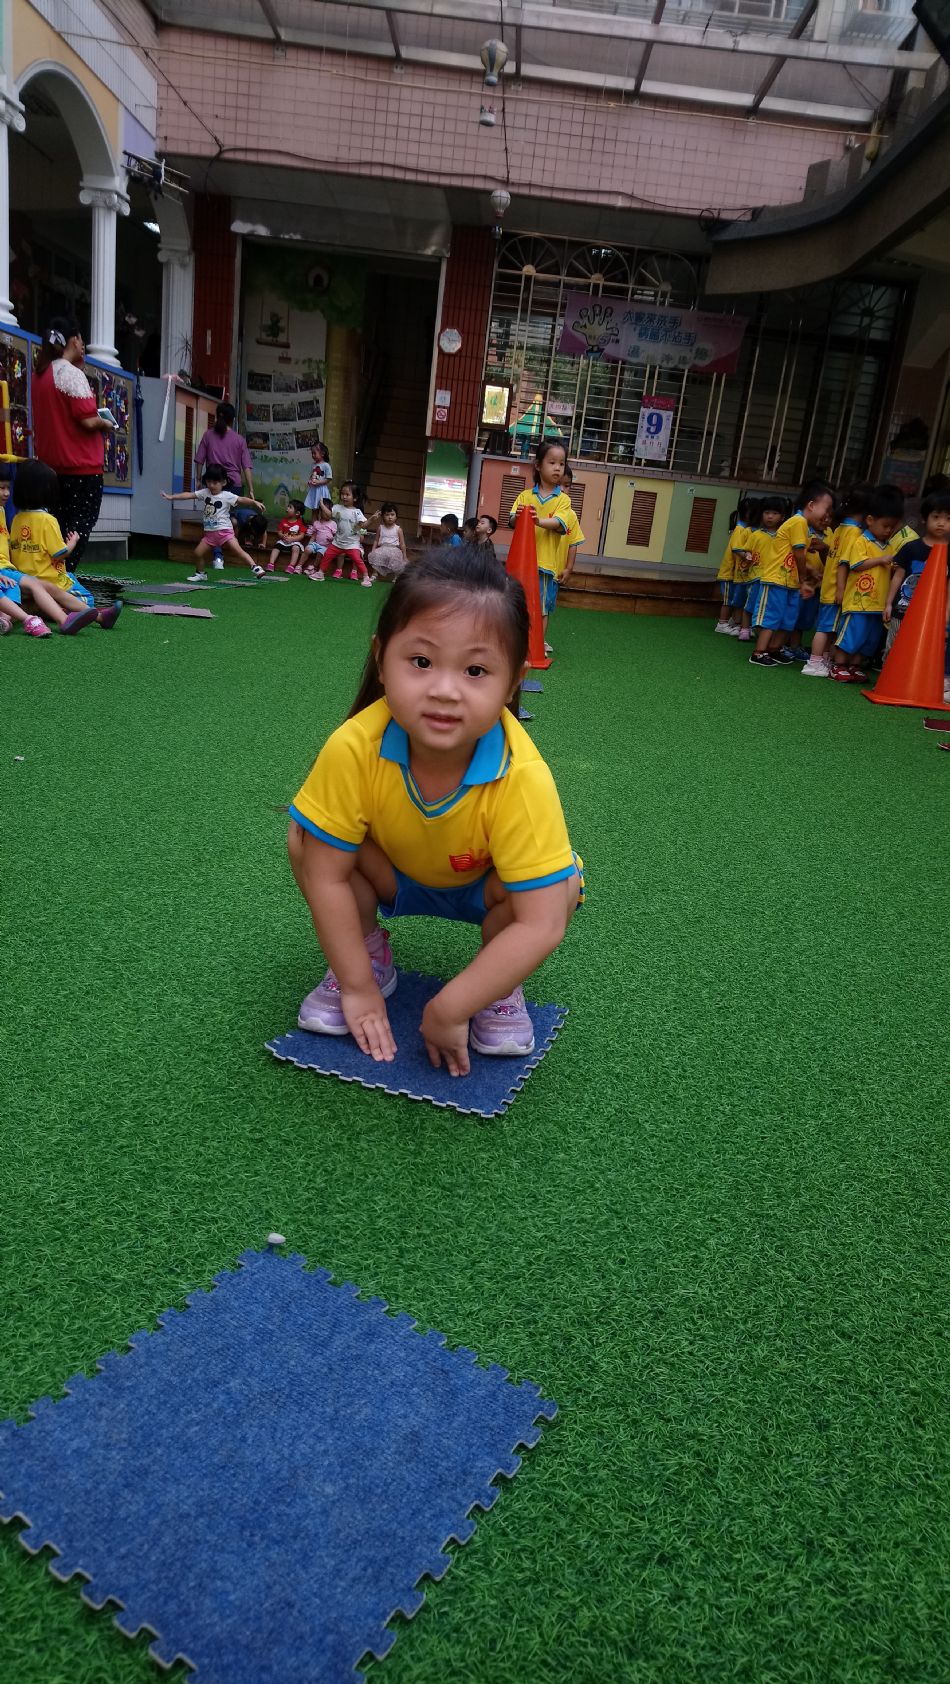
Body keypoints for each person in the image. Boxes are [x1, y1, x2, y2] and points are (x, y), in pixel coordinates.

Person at [287, 547, 583, 1073]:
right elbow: (327, 875)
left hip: (485, 888)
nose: (445, 691)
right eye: (421, 662)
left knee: (559, 887)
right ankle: (368, 955)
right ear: (382, 659)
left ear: (513, 680)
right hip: (391, 872)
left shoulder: (522, 776)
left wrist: (451, 1008)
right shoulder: (354, 747)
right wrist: (356, 986)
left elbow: (541, 924)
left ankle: (497, 988)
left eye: (475, 670)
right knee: (307, 838)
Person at [29, 317, 114, 568]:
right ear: (74, 340)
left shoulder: (39, 374)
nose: (83, 344)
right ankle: (63, 579)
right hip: (81, 468)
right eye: (81, 339)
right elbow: (87, 420)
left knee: (57, 527)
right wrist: (106, 423)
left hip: (51, 468)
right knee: (77, 529)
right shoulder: (70, 374)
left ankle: (50, 579)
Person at [9, 459, 118, 634]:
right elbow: (59, 554)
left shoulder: (16, 520)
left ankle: (45, 608)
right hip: (52, 581)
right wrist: (72, 543)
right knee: (86, 599)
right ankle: (66, 611)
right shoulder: (48, 520)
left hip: (24, 582)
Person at [748, 482, 834, 668]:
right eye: (826, 509)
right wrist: (804, 579)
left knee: (788, 618)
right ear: (811, 505)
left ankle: (774, 649)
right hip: (776, 579)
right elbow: (798, 554)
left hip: (790, 581)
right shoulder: (798, 522)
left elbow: (794, 555)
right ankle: (759, 652)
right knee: (771, 617)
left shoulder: (803, 526)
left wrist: (810, 572)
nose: (827, 515)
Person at [830, 485, 903, 684]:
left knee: (868, 639)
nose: (889, 531)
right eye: (885, 526)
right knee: (851, 635)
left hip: (876, 604)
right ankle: (839, 665)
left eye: (892, 527)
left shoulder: (888, 545)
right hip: (858, 603)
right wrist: (881, 560)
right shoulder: (861, 541)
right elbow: (856, 564)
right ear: (870, 520)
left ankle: (855, 666)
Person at [508, 440, 577, 642]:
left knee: (541, 608)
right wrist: (518, 517)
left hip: (545, 566)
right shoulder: (525, 496)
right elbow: (512, 521)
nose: (557, 468)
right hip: (522, 564)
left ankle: (537, 647)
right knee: (516, 605)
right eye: (552, 462)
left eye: (561, 464)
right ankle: (516, 645)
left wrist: (537, 521)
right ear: (538, 465)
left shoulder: (563, 500)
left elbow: (559, 523)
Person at [884, 490, 950, 694]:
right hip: (903, 608)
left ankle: (914, 686)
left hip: (932, 614)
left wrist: (946, 615)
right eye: (936, 517)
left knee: (925, 650)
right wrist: (888, 603)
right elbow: (897, 576)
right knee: (894, 645)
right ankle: (888, 681)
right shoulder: (911, 548)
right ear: (924, 518)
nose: (941, 523)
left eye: (948, 519)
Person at [801, 483, 869, 678]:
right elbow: (843, 563)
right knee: (825, 628)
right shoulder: (854, 532)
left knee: (829, 628)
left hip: (828, 586)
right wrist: (841, 589)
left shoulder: (840, 528)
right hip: (835, 588)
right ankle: (814, 662)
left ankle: (823, 660)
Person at [161, 465, 266, 581]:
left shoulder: (227, 496)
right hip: (209, 535)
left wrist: (254, 502)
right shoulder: (205, 493)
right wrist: (171, 497)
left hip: (225, 532)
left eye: (215, 483)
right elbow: (189, 495)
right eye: (209, 482)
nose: (211, 485)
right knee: (197, 553)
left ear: (223, 482)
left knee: (239, 551)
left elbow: (241, 499)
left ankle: (255, 568)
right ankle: (201, 574)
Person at [738, 495, 786, 643]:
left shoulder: (782, 537)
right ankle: (745, 629)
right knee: (751, 604)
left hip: (773, 578)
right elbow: (745, 550)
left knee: (767, 608)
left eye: (775, 513)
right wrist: (746, 555)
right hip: (756, 577)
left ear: (782, 517)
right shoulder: (756, 535)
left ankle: (763, 634)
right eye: (767, 513)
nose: (770, 516)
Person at [194, 403, 257, 510]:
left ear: (217, 416)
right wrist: (251, 489)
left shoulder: (208, 435)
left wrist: (199, 479)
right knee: (230, 514)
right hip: (233, 483)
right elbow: (246, 466)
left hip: (213, 482)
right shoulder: (239, 440)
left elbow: (199, 460)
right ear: (233, 419)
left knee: (214, 513)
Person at [312, 482, 372, 584]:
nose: (344, 497)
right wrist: (322, 505)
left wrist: (372, 519)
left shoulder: (357, 512)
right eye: (342, 494)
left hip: (352, 544)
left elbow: (363, 525)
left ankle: (366, 577)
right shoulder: (337, 507)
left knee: (357, 560)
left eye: (347, 494)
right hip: (337, 542)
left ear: (355, 498)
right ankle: (321, 573)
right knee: (327, 555)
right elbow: (329, 515)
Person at [714, 495, 756, 636]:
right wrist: (747, 556)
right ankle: (722, 623)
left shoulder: (745, 528)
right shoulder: (740, 529)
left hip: (735, 573)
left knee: (735, 600)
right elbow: (736, 549)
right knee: (728, 600)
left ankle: (734, 622)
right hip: (729, 573)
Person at [369, 503, 407, 580]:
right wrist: (373, 549)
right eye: (387, 515)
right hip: (383, 548)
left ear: (396, 516)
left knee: (396, 557)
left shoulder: (398, 529)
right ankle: (374, 573)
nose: (390, 517)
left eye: (392, 515)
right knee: (376, 555)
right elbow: (376, 540)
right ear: (383, 516)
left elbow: (402, 544)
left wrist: (404, 556)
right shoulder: (380, 528)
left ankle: (396, 576)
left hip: (394, 549)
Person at [269, 499, 308, 573]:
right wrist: (282, 535)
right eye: (288, 506)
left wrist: (292, 539)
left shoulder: (300, 523)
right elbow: (279, 532)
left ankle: (291, 566)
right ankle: (271, 564)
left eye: (290, 507)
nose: (287, 508)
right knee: (276, 547)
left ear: (297, 513)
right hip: (284, 541)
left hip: (294, 542)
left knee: (296, 548)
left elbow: (301, 535)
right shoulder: (283, 521)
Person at [303, 499, 336, 580]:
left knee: (320, 553)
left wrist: (332, 538)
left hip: (326, 546)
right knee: (307, 549)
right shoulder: (317, 523)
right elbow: (314, 535)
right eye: (323, 511)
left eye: (327, 511)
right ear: (320, 512)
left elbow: (336, 536)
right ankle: (299, 566)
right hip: (316, 544)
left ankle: (314, 568)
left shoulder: (333, 523)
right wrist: (310, 543)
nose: (325, 513)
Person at [304, 441, 333, 513]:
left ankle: (321, 521)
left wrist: (319, 482)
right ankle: (314, 521)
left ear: (322, 453)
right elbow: (312, 475)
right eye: (312, 453)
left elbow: (329, 479)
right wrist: (310, 481)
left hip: (322, 490)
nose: (313, 455)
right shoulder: (313, 465)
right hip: (314, 490)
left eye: (314, 453)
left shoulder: (326, 465)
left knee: (322, 510)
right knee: (314, 510)